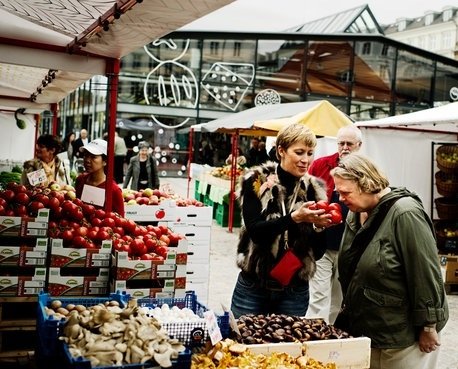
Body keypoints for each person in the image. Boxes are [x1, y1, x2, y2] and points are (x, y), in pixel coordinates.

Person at [331, 153, 448, 369]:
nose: (340, 199)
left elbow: (425, 272)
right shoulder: (356, 212)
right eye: (338, 192)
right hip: (371, 329)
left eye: (345, 192)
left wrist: (428, 326)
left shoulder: (406, 214)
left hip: (403, 335)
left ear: (366, 184)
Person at [230, 123, 335, 318]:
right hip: (253, 285)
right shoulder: (256, 181)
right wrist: (295, 218)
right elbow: (256, 232)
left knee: (287, 346)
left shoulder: (314, 189)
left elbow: (318, 253)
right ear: (281, 150)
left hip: (294, 290)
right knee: (241, 343)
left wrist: (320, 229)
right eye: (299, 152)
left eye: (310, 153)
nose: (306, 160)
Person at [306, 125, 362, 324]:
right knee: (318, 295)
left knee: (338, 299)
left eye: (349, 143)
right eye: (341, 143)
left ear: (359, 145)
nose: (345, 147)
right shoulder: (321, 165)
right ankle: (312, 336)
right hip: (321, 242)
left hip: (348, 245)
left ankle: (327, 335)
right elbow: (306, 195)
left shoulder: (365, 171)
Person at [75, 139, 125, 216]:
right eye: (86, 155)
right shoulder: (80, 180)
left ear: (105, 161)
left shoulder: (114, 190)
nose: (87, 160)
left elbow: (121, 220)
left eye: (93, 157)